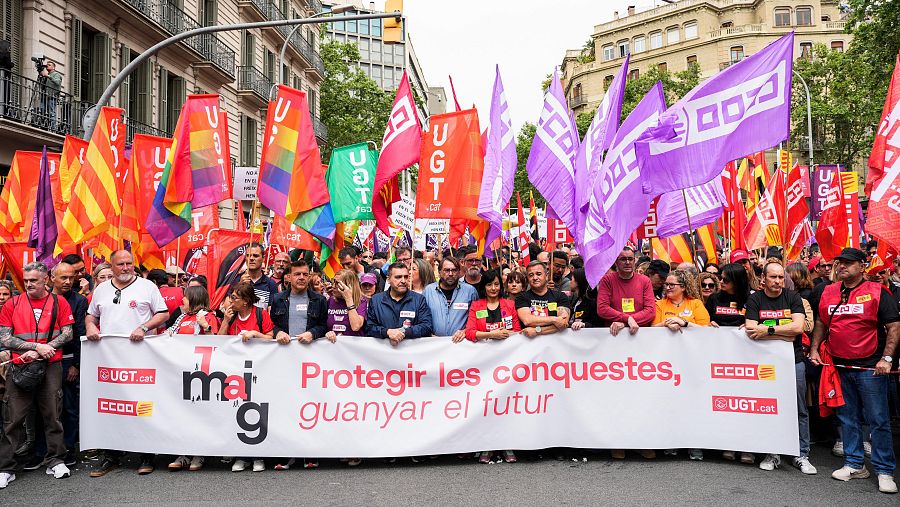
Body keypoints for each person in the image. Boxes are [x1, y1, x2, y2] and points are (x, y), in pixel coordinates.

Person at [809, 248, 899, 494]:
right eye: (840, 263)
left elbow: (893, 326)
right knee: (847, 418)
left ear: (862, 266)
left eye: (848, 263)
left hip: (870, 366)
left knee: (878, 419)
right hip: (839, 365)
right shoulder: (829, 291)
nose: (842, 267)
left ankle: (884, 470)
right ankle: (854, 464)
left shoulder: (878, 291)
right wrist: (815, 349)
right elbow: (821, 322)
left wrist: (887, 358)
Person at [86, 250, 169, 477]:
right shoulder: (101, 290)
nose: (125, 268)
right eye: (120, 264)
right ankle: (111, 455)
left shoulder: (147, 287)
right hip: (109, 360)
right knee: (112, 405)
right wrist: (91, 326)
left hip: (140, 359)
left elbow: (163, 313)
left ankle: (146, 455)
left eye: (129, 263)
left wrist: (143, 327)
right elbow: (91, 315)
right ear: (111, 267)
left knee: (141, 404)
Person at [0, 262, 76, 488]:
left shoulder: (59, 302)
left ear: (46, 280)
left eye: (34, 280)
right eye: (26, 281)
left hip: (51, 365)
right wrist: (34, 347)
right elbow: (4, 338)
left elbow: (68, 332)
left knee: (53, 414)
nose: (29, 284)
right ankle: (6, 467)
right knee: (12, 418)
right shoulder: (12, 303)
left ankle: (55, 460)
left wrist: (45, 349)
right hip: (20, 366)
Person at [744, 262, 815, 475]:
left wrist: (768, 330)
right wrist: (783, 332)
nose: (777, 281)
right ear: (763, 279)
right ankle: (772, 453)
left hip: (794, 361)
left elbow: (798, 328)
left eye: (780, 278)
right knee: (770, 408)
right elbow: (750, 329)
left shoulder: (793, 297)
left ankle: (802, 455)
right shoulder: (755, 299)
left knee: (799, 408)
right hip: (765, 364)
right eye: (773, 277)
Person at [463, 269, 520, 464]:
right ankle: (486, 446)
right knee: (486, 405)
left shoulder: (510, 304)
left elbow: (518, 331)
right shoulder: (476, 305)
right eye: (489, 285)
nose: (493, 288)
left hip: (507, 362)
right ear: (484, 287)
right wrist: (490, 335)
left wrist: (505, 334)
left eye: (496, 284)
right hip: (483, 365)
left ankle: (507, 445)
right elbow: (470, 332)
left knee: (506, 404)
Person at [217, 281, 274, 473]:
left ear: (246, 301)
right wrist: (225, 320)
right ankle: (241, 455)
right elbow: (219, 340)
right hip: (235, 371)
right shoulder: (231, 316)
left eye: (235, 297)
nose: (231, 301)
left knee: (255, 410)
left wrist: (255, 333)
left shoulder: (260, 314)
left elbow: (270, 337)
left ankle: (258, 455)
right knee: (237, 410)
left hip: (258, 370)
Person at [166, 286, 218, 472]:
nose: (182, 302)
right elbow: (169, 334)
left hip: (201, 374)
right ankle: (184, 453)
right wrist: (169, 335)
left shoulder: (209, 316)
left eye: (185, 298)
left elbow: (216, 342)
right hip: (181, 371)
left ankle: (200, 453)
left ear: (195, 299)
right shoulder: (181, 317)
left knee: (200, 413)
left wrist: (206, 326)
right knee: (183, 413)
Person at [49, 262, 87, 467]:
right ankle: (43, 450)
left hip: (68, 360)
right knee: (45, 408)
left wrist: (76, 364)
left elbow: (80, 333)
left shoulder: (79, 301)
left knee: (69, 407)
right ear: (51, 277)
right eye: (63, 277)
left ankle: (69, 448)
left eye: (71, 277)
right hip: (44, 360)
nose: (68, 282)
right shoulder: (43, 298)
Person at [365, 262, 433, 345]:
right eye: (398, 277)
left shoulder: (419, 299)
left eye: (406, 277)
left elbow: (427, 326)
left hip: (411, 353)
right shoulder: (376, 300)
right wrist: (387, 332)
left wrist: (403, 332)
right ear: (388, 279)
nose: (403, 281)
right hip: (384, 353)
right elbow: (369, 328)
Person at [271, 260, 328, 347]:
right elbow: (271, 324)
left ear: (309, 278)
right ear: (289, 277)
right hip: (284, 349)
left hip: (310, 349)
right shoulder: (278, 299)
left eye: (305, 274)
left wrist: (312, 333)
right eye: (297, 274)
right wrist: (278, 332)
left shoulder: (320, 300)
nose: (301, 277)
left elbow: (324, 326)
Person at [425, 257, 478, 341]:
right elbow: (422, 318)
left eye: (454, 270)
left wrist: (465, 331)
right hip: (434, 344)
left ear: (459, 272)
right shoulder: (428, 291)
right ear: (439, 272)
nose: (450, 274)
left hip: (462, 344)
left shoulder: (470, 291)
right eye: (446, 270)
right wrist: (428, 333)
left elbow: (477, 318)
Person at [516, 262, 570, 338]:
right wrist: (554, 320)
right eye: (531, 275)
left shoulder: (560, 296)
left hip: (556, 344)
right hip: (530, 345)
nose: (535, 278)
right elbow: (527, 320)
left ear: (547, 276)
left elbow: (563, 323)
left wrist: (537, 331)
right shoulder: (521, 297)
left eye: (538, 274)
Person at [325, 269, 368, 341]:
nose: (333, 286)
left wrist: (349, 299)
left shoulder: (361, 301)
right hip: (334, 347)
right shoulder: (331, 300)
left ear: (348, 286)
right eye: (333, 281)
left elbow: (356, 326)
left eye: (338, 283)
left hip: (353, 348)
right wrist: (327, 333)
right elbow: (324, 325)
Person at [706, 264, 750, 329]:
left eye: (725, 280)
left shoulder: (750, 300)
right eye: (721, 278)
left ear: (736, 281)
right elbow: (705, 321)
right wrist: (709, 323)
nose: (721, 282)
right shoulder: (713, 298)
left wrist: (748, 325)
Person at [238, 243, 278, 308]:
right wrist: (240, 286)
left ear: (263, 259)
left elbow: (272, 311)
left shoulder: (271, 284)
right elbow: (229, 306)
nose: (251, 258)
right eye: (248, 255)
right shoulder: (237, 279)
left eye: (255, 256)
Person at [39, 60, 62, 129]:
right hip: (44, 96)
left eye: (49, 65)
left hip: (52, 96)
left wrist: (48, 76)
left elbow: (57, 82)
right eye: (47, 64)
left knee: (52, 112)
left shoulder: (56, 74)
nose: (47, 66)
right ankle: (44, 125)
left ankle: (53, 127)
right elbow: (42, 85)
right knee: (43, 110)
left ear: (53, 67)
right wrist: (41, 77)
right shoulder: (46, 75)